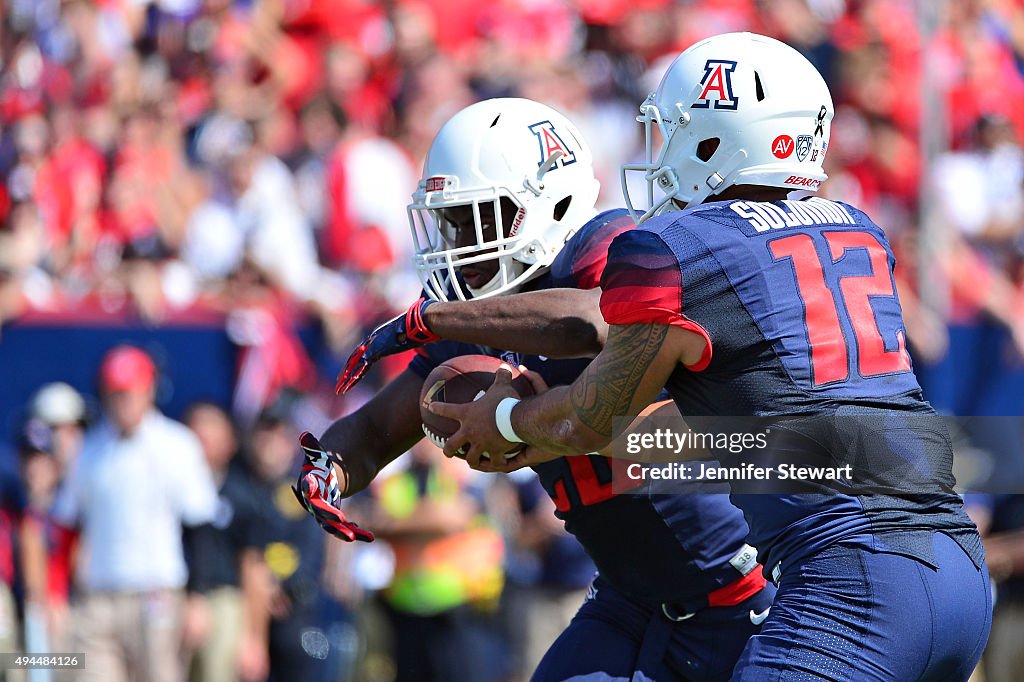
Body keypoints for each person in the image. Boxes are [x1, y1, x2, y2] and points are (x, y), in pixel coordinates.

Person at [429, 33, 992, 681]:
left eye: (676, 130)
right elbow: (767, 432)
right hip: (956, 567)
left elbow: (592, 415)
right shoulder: (855, 228)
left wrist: (509, 422)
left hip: (850, 578)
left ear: (715, 139)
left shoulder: (676, 245)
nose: (661, 150)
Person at [295, 97, 774, 681]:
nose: (459, 243)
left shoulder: (618, 249)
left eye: (480, 218)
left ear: (550, 203)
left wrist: (441, 323)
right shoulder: (486, 311)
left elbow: (598, 319)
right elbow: (375, 429)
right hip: (629, 602)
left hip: (745, 593)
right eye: (451, 222)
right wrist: (329, 468)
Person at [49, 345, 219, 682]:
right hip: (98, 598)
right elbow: (67, 525)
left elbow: (200, 526)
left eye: (129, 392)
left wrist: (198, 599)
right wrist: (56, 594)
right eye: (115, 393)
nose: (122, 401)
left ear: (149, 390)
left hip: (156, 595)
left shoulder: (177, 445)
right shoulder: (89, 450)